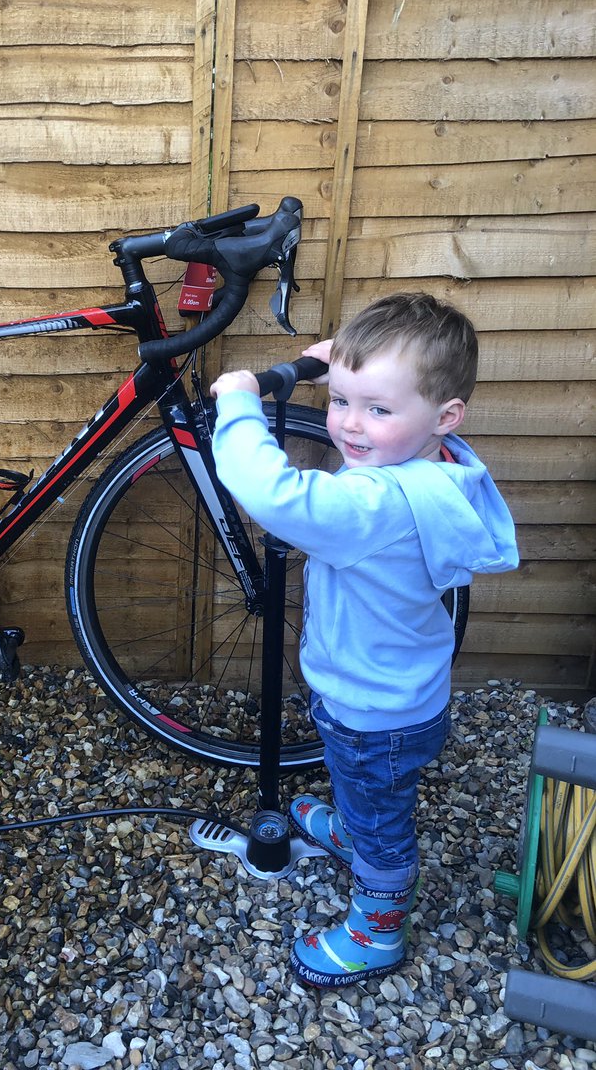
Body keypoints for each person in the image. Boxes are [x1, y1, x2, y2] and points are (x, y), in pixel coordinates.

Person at [210, 292, 518, 989]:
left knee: (384, 824)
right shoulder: (432, 465)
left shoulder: (376, 504)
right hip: (402, 692)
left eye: (377, 409)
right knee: (369, 792)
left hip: (373, 712)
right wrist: (341, 371)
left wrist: (238, 402)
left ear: (444, 417)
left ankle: (377, 931)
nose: (349, 424)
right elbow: (375, 418)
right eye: (341, 401)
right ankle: (353, 825)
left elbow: (275, 494)